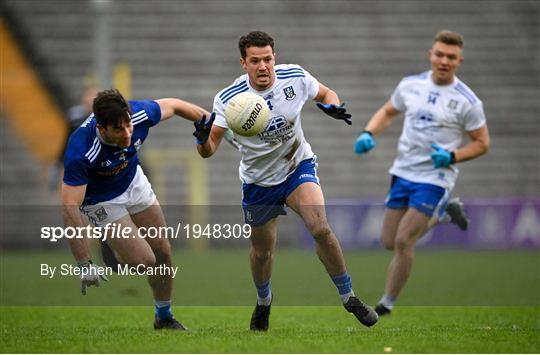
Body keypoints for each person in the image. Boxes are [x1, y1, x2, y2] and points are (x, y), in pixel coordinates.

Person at [193, 30, 378, 331]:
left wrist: (331, 105)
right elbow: (208, 150)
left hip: (296, 166)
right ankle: (264, 301)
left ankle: (349, 297)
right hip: (258, 181)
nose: (263, 66)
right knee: (263, 251)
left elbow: (326, 93)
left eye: (268, 59)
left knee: (320, 227)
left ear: (274, 57)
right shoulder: (227, 100)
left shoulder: (294, 77)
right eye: (255, 61)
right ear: (244, 63)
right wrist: (202, 141)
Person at [354, 30, 490, 315]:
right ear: (430, 55)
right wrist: (369, 132)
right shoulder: (410, 85)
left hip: (435, 177)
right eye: (439, 54)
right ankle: (444, 214)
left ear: (459, 61)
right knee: (389, 241)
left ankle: (386, 303)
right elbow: (389, 112)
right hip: (403, 170)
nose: (444, 60)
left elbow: (482, 143)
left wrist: (452, 156)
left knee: (404, 240)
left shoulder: (467, 101)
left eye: (450, 57)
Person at [62, 88, 211, 330]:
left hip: (133, 181)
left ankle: (164, 316)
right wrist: (84, 264)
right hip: (102, 200)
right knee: (145, 261)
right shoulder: (81, 151)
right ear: (102, 129)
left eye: (128, 125)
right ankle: (111, 242)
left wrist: (210, 123)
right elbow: (69, 208)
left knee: (163, 250)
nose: (127, 133)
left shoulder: (139, 113)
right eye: (118, 130)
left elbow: (175, 104)